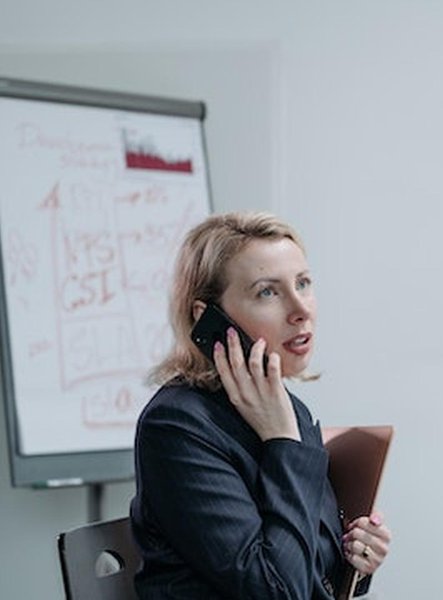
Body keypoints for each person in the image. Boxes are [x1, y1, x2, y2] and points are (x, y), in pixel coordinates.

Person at [130, 211, 391, 598]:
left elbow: (305, 570)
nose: (300, 308)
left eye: (303, 283)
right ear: (208, 318)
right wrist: (283, 441)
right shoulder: (177, 426)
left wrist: (354, 559)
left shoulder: (288, 410)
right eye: (268, 292)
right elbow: (276, 591)